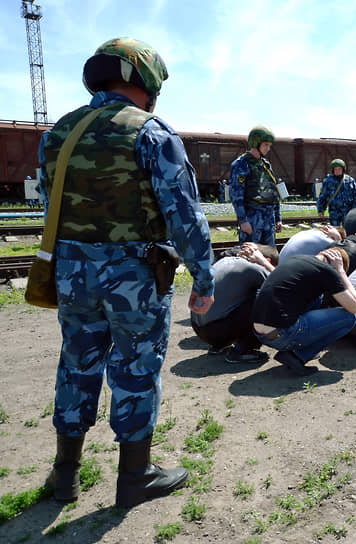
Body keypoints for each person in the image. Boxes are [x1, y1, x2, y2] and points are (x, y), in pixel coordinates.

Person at [37, 37, 215, 509]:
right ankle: (134, 479)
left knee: (76, 364)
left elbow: (49, 198)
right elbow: (185, 218)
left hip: (71, 274)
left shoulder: (59, 132)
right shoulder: (152, 132)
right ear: (145, 80)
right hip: (133, 278)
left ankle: (65, 477)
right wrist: (204, 277)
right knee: (136, 369)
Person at [252, 248, 356, 375]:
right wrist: (340, 271)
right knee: (350, 318)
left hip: (259, 333)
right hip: (283, 334)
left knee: (316, 296)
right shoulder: (327, 271)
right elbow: (355, 307)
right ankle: (298, 356)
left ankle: (297, 347)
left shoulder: (297, 259)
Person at [191, 243, 277, 364]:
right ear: (267, 260)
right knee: (264, 301)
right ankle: (243, 351)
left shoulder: (225, 260)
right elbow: (282, 284)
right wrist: (264, 263)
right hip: (217, 332)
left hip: (199, 329)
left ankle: (219, 346)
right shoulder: (255, 267)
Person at [230, 126, 282, 245]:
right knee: (250, 255)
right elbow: (236, 194)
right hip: (252, 217)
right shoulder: (241, 164)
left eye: (270, 145)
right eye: (265, 145)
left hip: (269, 218)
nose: (268, 149)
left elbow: (273, 192)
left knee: (269, 255)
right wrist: (243, 220)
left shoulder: (266, 165)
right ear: (255, 144)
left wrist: (278, 218)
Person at [316, 158, 356, 226]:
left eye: (339, 169)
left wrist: (355, 210)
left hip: (348, 211)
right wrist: (320, 210)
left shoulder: (350, 180)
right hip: (334, 211)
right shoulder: (328, 181)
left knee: (348, 230)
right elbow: (323, 196)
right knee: (335, 231)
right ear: (333, 170)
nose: (337, 171)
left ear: (343, 169)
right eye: (335, 169)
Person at [277, 224, 344, 263]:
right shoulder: (327, 241)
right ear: (332, 236)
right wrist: (338, 237)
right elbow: (343, 257)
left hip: (280, 269)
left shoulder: (309, 232)